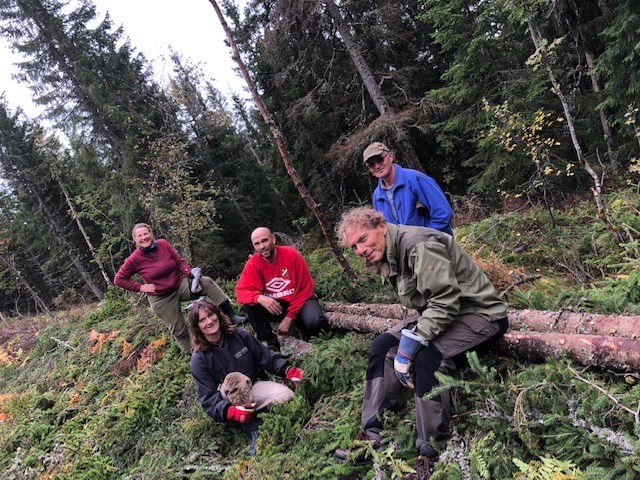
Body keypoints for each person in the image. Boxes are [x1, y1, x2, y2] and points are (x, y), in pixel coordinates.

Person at [333, 207, 508, 475]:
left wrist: (414, 341)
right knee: (382, 346)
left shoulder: (416, 244)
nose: (360, 250)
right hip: (444, 313)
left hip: (478, 313)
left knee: (428, 358)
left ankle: (432, 452)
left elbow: (446, 301)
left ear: (381, 226)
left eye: (363, 239)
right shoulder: (388, 252)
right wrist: (406, 342)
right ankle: (371, 435)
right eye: (354, 246)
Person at [188, 298, 303, 456]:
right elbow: (208, 400)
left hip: (253, 385)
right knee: (235, 379)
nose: (209, 321)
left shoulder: (238, 335)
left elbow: (266, 357)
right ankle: (251, 426)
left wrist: (288, 371)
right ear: (197, 327)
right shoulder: (199, 359)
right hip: (228, 400)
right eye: (202, 320)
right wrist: (230, 412)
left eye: (211, 315)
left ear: (218, 315)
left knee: (287, 396)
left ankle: (260, 413)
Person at [114, 223, 246, 353]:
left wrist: (190, 273)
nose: (143, 238)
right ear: (135, 240)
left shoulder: (163, 244)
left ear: (151, 234)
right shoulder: (134, 259)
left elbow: (178, 261)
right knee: (179, 329)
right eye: (139, 236)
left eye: (145, 233)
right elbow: (119, 280)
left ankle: (231, 317)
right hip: (160, 297)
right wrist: (141, 287)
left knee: (206, 283)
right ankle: (195, 352)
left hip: (178, 285)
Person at [235, 227, 329, 352]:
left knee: (316, 322)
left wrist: (289, 318)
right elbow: (241, 292)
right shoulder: (253, 263)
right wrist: (260, 298)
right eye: (257, 244)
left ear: (273, 239)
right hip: (277, 307)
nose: (262, 246)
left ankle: (319, 346)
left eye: (265, 241)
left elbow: (305, 289)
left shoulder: (291, 255)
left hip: (300, 301)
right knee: (250, 305)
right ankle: (270, 344)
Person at [363, 141, 454, 235]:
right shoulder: (377, 196)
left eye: (380, 160)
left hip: (433, 245)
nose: (377, 166)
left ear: (390, 157)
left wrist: (423, 239)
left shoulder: (416, 179)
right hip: (406, 249)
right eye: (371, 165)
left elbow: (443, 214)